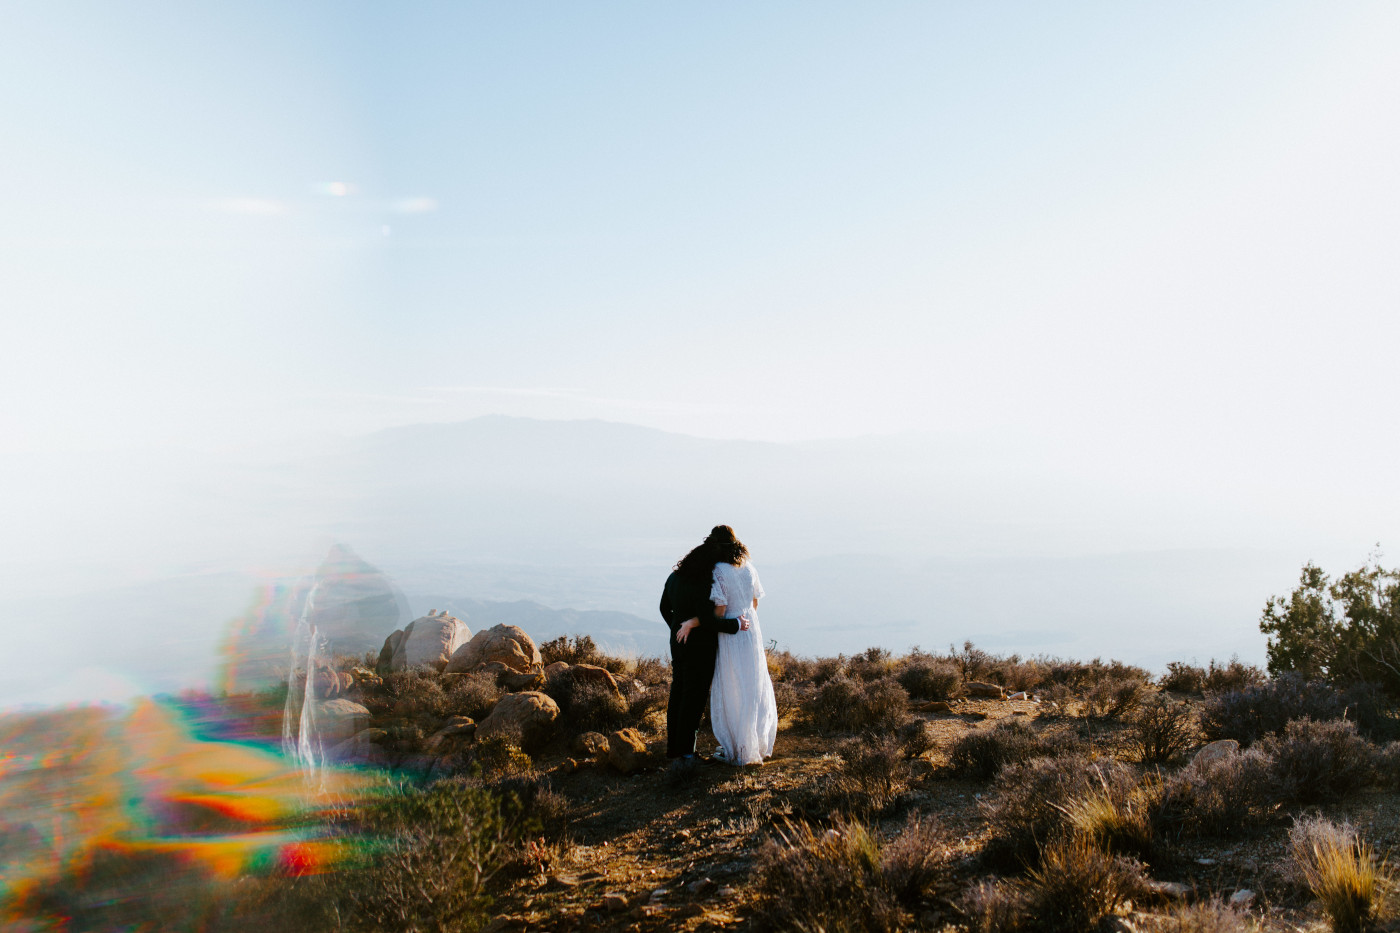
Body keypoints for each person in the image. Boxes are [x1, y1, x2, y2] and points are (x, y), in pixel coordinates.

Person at [676, 525, 776, 766]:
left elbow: (718, 612)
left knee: (734, 687)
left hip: (732, 633)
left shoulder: (719, 570)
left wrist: (694, 621)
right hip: (751, 629)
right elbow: (754, 603)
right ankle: (756, 744)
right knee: (753, 685)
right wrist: (746, 619)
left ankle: (738, 747)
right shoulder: (748, 567)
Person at [659, 532, 740, 776]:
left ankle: (673, 749)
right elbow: (707, 619)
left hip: (678, 642)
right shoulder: (704, 582)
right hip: (700, 647)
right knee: (693, 700)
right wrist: (735, 625)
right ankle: (687, 753)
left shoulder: (674, 577)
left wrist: (677, 628)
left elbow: (664, 607)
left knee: (678, 693)